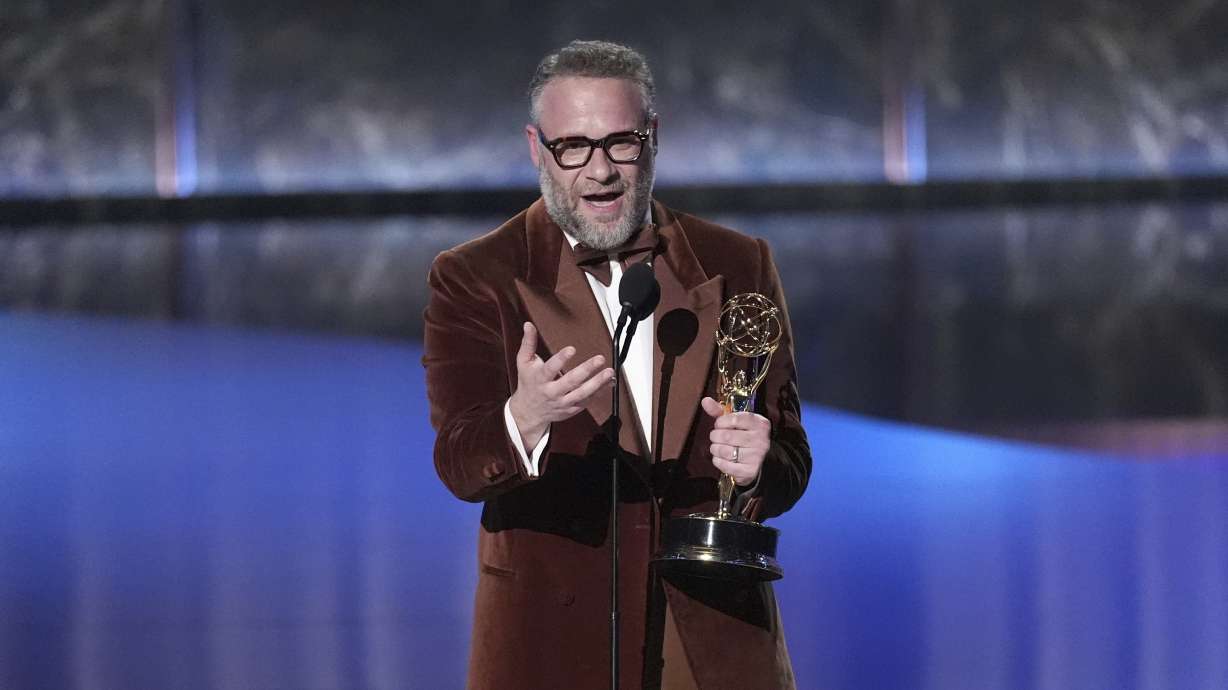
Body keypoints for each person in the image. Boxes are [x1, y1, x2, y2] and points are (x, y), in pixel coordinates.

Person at [424, 40, 811, 690]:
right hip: (554, 636)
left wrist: (755, 470)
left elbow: (791, 458)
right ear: (536, 147)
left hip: (713, 639)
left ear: (652, 138)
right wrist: (524, 418)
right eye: (572, 146)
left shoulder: (739, 263)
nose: (599, 171)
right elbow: (460, 464)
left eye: (619, 143)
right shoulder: (475, 277)